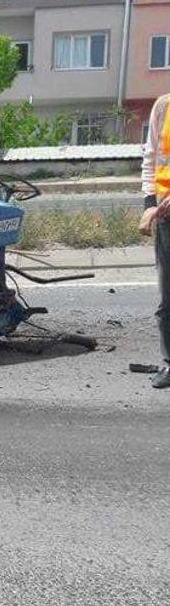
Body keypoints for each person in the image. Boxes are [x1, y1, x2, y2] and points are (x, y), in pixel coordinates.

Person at [140, 92, 170, 388]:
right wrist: (150, 204)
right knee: (166, 298)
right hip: (165, 217)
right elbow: (151, 159)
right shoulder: (163, 107)